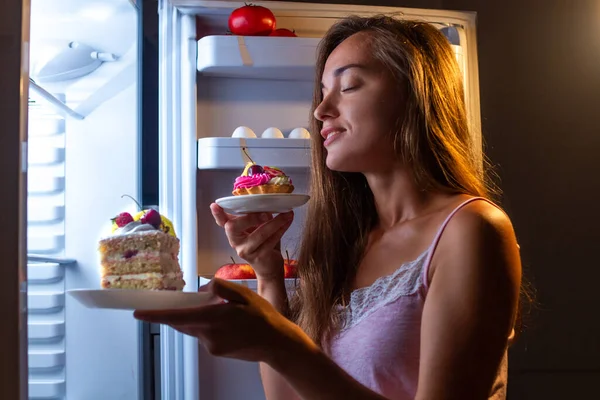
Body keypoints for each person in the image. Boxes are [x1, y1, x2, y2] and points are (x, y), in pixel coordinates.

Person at [134, 15, 522, 400]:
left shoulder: (470, 229)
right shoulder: (349, 242)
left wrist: (283, 344)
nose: (321, 110)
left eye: (349, 85)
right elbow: (285, 396)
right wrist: (268, 276)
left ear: (415, 94)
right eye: (321, 92)